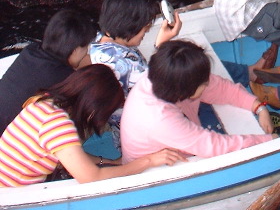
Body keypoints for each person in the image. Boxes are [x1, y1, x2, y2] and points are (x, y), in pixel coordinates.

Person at [0, 64, 186, 187]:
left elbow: (71, 154)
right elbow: (91, 178)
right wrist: (149, 161)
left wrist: (109, 162)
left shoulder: (45, 102)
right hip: (11, 196)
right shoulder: (58, 125)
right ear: (94, 109)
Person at [120, 40, 275, 162]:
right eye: (203, 84)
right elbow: (213, 146)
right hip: (159, 173)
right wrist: (267, 141)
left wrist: (258, 107)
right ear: (185, 89)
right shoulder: (160, 118)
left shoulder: (164, 78)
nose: (207, 84)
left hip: (178, 141)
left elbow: (219, 87)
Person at [88, 0, 181, 146]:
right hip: (145, 139)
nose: (146, 33)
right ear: (130, 26)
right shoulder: (127, 65)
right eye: (145, 29)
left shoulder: (96, 42)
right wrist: (161, 46)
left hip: (122, 133)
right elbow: (162, 89)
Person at [0, 9, 96, 136]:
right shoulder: (65, 79)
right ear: (76, 49)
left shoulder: (31, 51)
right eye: (86, 47)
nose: (86, 52)